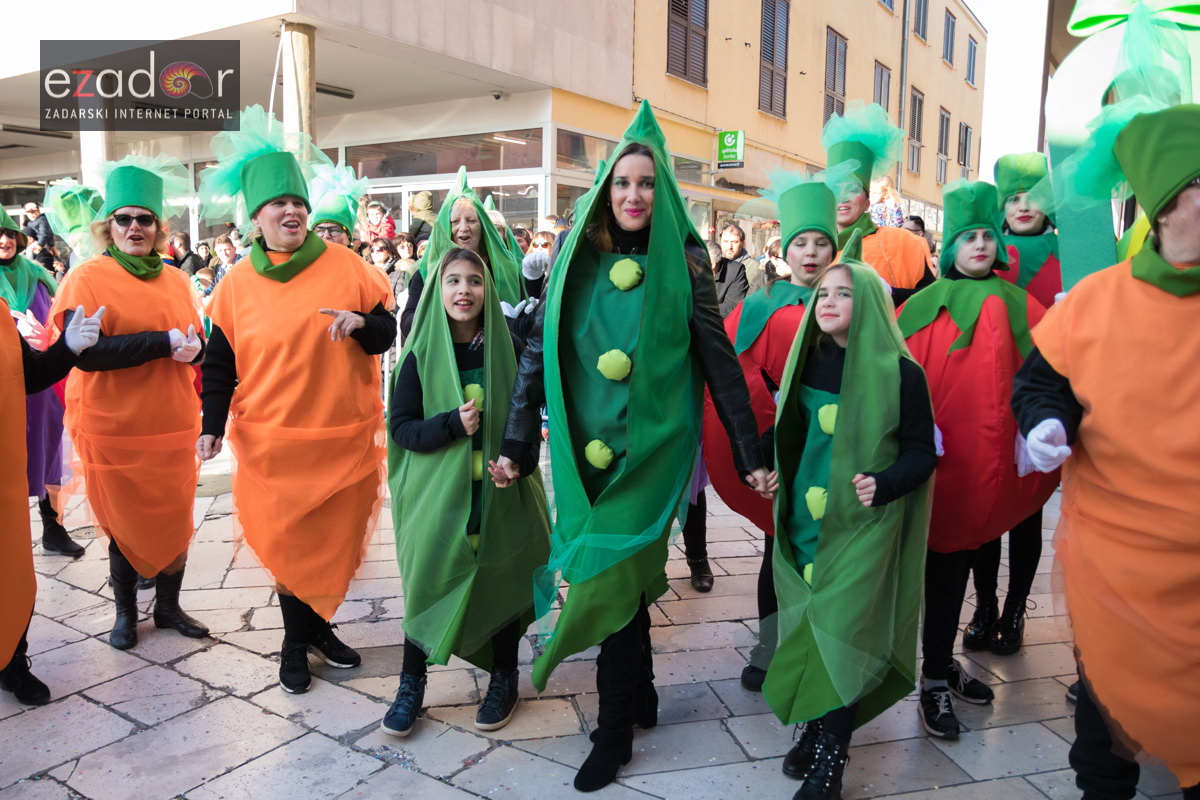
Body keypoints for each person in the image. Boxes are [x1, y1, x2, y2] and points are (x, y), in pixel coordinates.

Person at [490, 101, 769, 792]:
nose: (634, 194)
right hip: (582, 454)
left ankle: (613, 731)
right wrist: (518, 442)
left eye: (647, 182)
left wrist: (749, 449)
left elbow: (718, 357)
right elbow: (538, 354)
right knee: (617, 577)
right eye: (623, 183)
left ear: (662, 189)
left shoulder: (687, 258)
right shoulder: (576, 253)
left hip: (652, 453)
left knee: (610, 578)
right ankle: (639, 694)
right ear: (606, 191)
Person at [1012, 103, 1200, 800]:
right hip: (1115, 567)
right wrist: (1045, 425)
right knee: (1106, 737)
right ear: (1172, 201)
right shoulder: (1093, 302)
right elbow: (1039, 383)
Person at [197, 105, 395, 695]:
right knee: (288, 545)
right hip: (273, 441)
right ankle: (294, 640)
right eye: (277, 204)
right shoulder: (234, 284)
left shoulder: (349, 267)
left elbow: (384, 335)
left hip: (343, 436)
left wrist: (363, 323)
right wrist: (210, 425)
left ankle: (319, 630)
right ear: (255, 218)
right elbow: (218, 362)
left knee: (332, 542)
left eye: (298, 203)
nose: (291, 211)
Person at [762, 249, 936, 800]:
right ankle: (814, 724)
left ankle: (831, 762)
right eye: (824, 294)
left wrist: (884, 483)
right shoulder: (805, 361)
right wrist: (768, 473)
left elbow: (921, 452)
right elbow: (787, 434)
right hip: (804, 522)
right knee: (810, 627)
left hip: (864, 526)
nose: (829, 302)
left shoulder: (903, 374)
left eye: (846, 294)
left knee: (845, 632)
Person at [896, 180, 1057, 740]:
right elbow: (895, 375)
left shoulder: (1025, 304)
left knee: (967, 569)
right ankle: (935, 678)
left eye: (988, 235)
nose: (981, 245)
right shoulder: (921, 306)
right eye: (969, 237)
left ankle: (943, 662)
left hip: (998, 471)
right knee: (942, 573)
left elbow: (1050, 373)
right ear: (950, 248)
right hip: (943, 469)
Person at [382, 246, 551, 737]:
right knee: (429, 580)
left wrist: (516, 462)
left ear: (488, 290)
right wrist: (451, 425)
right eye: (453, 281)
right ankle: (411, 683)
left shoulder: (509, 347)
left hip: (501, 492)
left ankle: (504, 677)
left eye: (474, 281)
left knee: (502, 574)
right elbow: (403, 429)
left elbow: (528, 413)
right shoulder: (419, 353)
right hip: (438, 499)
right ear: (438, 290)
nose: (464, 290)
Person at [50, 154, 210, 652]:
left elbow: (196, 340)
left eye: (145, 219)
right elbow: (88, 355)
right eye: (124, 219)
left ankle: (167, 607)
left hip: (171, 422)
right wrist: (163, 342)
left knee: (175, 516)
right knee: (122, 521)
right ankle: (125, 613)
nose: (135, 227)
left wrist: (194, 348)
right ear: (108, 226)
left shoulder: (177, 279)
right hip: (111, 426)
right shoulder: (86, 278)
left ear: (159, 229)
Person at [701, 173, 840, 692]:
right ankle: (767, 644)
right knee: (774, 550)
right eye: (801, 242)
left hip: (834, 457)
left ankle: (819, 642)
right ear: (787, 246)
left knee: (824, 555)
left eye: (820, 243)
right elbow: (731, 375)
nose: (810, 253)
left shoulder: (851, 299)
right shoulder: (759, 304)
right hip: (779, 455)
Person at [960, 152, 1063, 658]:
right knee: (985, 505)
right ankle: (983, 605)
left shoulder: (1072, 255)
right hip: (985, 398)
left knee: (1027, 512)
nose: (1022, 206)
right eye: (1013, 198)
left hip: (1042, 403)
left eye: (1032, 197)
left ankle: (1017, 608)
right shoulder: (984, 252)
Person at [1, 296, 103, 707]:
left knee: (10, 574)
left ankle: (11, 662)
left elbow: (27, 376)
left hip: (3, 478)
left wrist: (69, 348)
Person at [0, 208, 83, 557]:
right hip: (5, 389)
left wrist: (47, 335)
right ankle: (11, 534)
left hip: (40, 383)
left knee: (48, 453)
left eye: (7, 232)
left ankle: (53, 526)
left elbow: (54, 319)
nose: (3, 240)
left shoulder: (37, 275)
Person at [822, 102, 935, 304]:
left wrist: (890, 293)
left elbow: (933, 297)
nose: (843, 197)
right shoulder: (817, 250)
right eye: (836, 189)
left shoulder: (906, 242)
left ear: (867, 202)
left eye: (853, 189)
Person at [399, 168, 525, 339]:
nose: (463, 228)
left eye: (471, 220)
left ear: (483, 226)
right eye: (455, 221)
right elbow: (408, 324)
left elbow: (528, 325)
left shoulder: (506, 266)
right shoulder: (427, 269)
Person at [713, 223, 756, 315]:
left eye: (734, 242)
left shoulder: (755, 267)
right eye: (725, 241)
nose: (730, 247)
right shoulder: (711, 262)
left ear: (743, 244)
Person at [21, 203, 54, 273]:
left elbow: (44, 234)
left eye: (34, 211)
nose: (32, 214)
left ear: (38, 210)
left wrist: (39, 246)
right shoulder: (31, 223)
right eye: (29, 212)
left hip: (44, 246)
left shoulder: (43, 220)